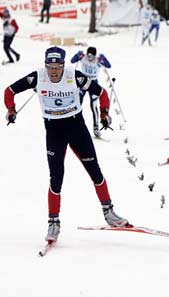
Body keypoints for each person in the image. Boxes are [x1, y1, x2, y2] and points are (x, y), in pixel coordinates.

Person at [3, 47, 129, 243]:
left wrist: (104, 113)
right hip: (54, 132)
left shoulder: (74, 76)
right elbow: (9, 91)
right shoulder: (37, 77)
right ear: (46, 65)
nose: (54, 71)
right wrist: (11, 109)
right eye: (50, 67)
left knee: (95, 171)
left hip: (76, 128)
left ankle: (109, 213)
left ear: (63, 65)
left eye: (58, 66)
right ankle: (53, 223)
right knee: (56, 178)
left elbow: (102, 92)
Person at [70, 47, 112, 138]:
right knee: (78, 104)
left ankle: (96, 127)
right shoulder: (83, 57)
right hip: (83, 83)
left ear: (95, 55)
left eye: (92, 56)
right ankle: (75, 125)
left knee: (93, 106)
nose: (90, 58)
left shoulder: (98, 60)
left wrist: (104, 59)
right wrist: (77, 55)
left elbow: (109, 66)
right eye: (88, 55)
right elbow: (72, 61)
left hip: (93, 84)